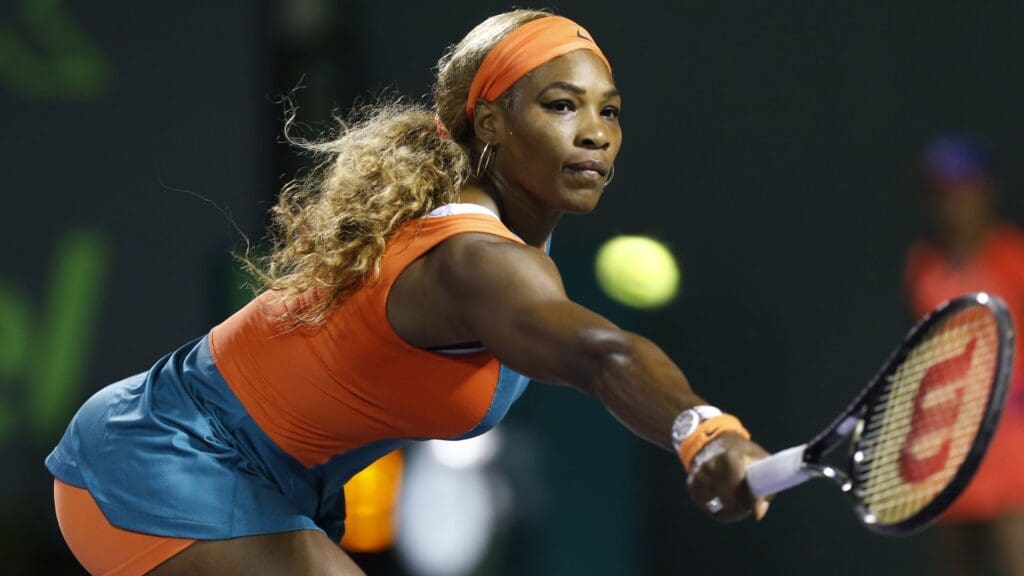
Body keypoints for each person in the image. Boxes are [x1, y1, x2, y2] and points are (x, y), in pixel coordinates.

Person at [46, 10, 770, 575]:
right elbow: (600, 355)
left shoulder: (498, 239)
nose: (595, 134)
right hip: (162, 458)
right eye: (560, 106)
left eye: (608, 111)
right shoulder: (475, 262)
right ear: (490, 122)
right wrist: (702, 433)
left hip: (260, 479)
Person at [903, 135, 1024, 576]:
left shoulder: (1014, 257)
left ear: (985, 192)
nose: (951, 206)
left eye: (961, 192)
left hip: (1012, 450)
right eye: (940, 194)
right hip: (941, 451)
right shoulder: (922, 264)